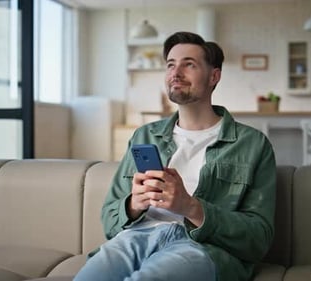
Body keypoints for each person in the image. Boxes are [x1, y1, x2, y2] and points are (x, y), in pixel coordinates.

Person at [73, 31, 276, 281]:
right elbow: (109, 219)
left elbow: (259, 239)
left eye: (189, 64)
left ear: (214, 76)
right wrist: (134, 204)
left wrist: (190, 207)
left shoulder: (253, 145)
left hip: (200, 247)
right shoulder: (144, 136)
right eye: (171, 65)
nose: (175, 73)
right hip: (134, 238)